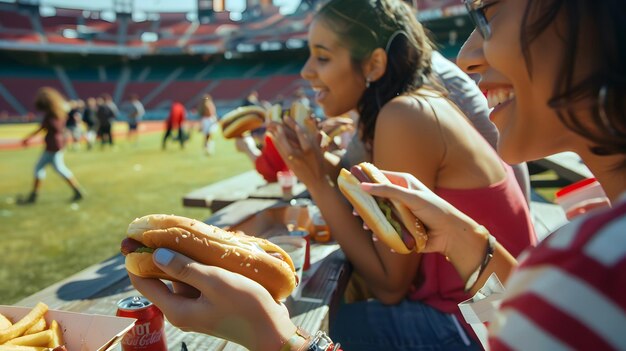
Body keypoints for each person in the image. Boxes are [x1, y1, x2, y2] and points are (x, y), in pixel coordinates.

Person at [129, 0, 626, 350]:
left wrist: (274, 340)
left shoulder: (404, 115)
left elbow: (391, 284)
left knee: (331, 313)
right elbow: (519, 317)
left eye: (488, 13)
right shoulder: (408, 109)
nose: (467, 54)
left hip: (454, 326)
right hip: (477, 311)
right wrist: (468, 239)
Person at [19, 87, 83, 204]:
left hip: (53, 145)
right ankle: (77, 191)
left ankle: (34, 196)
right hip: (57, 144)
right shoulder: (58, 111)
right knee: (52, 168)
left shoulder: (52, 114)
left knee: (46, 168)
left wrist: (28, 138)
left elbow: (45, 128)